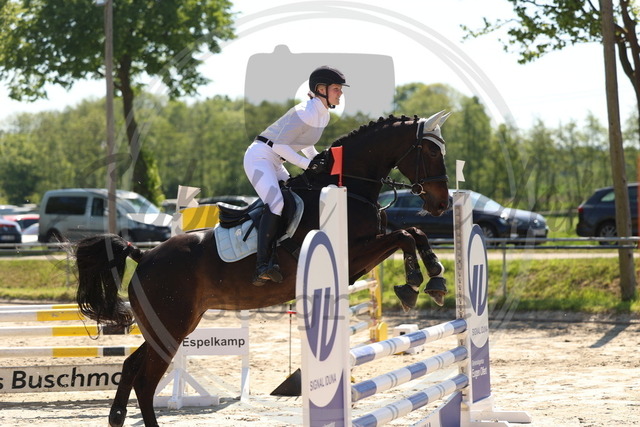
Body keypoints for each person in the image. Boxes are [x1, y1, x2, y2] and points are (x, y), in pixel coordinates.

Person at [244, 65, 348, 286]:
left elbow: (305, 144)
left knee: (296, 200)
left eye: (340, 89)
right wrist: (308, 165)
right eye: (336, 89)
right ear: (321, 89)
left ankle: (282, 250)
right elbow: (280, 145)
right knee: (277, 203)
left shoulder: (323, 116)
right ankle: (261, 265)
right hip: (259, 157)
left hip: (276, 161)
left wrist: (317, 160)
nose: (340, 93)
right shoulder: (304, 112)